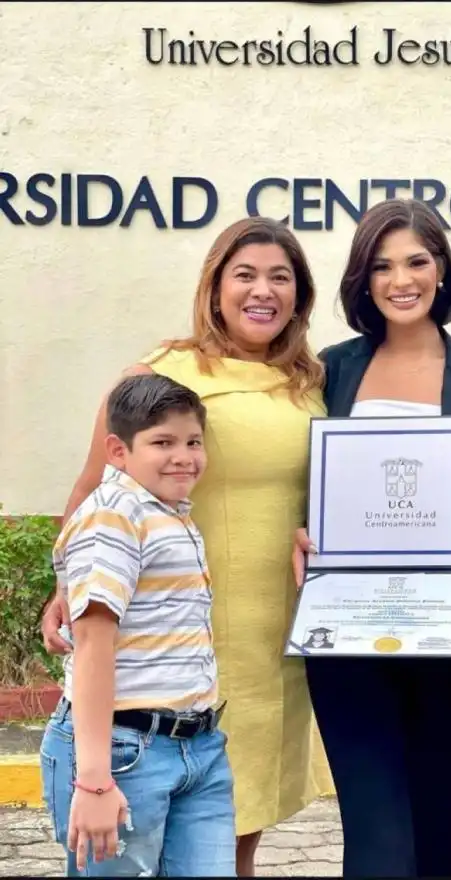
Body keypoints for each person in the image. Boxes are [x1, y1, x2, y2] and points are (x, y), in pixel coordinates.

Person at [41, 217, 329, 876]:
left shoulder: (306, 380)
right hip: (175, 640)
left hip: (274, 641)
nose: (263, 291)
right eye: (245, 275)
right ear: (216, 286)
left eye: (280, 277)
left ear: (299, 293)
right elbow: (96, 484)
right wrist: (68, 586)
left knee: (236, 833)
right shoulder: (163, 371)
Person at [294, 198, 451, 878]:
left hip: (447, 629)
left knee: (435, 814)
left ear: (443, 271)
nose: (401, 279)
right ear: (364, 280)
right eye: (382, 266)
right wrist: (297, 531)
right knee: (377, 831)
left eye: (418, 261)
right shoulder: (329, 369)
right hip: (347, 633)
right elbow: (292, 473)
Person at [40, 374, 236, 878]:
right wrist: (95, 781)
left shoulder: (168, 514)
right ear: (117, 451)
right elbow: (92, 650)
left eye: (193, 442)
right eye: (162, 442)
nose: (184, 456)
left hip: (199, 745)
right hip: (126, 751)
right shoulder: (114, 517)